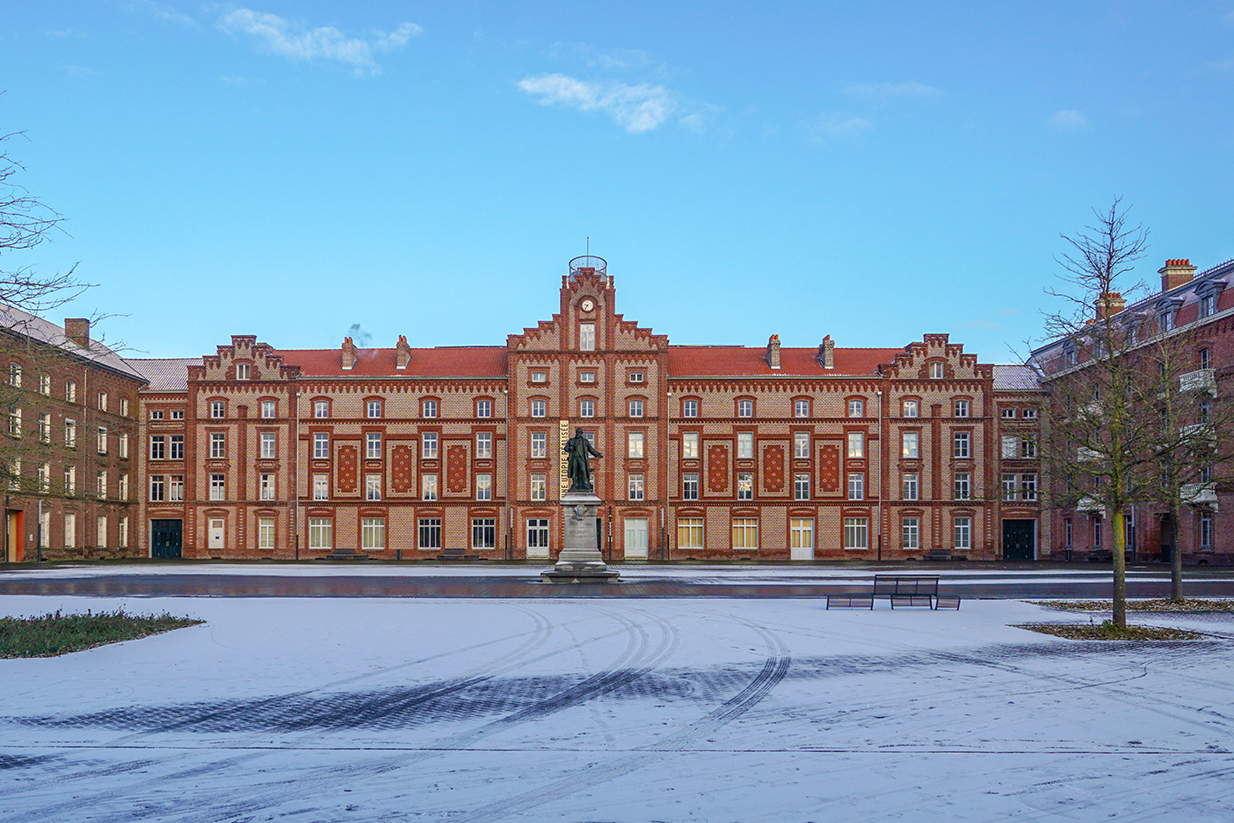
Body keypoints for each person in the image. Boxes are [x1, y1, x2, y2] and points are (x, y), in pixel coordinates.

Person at [564, 427, 603, 492]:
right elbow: (565, 448)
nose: (578, 434)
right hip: (574, 458)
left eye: (579, 433)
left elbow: (590, 449)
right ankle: (575, 485)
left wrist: (597, 454)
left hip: (582, 458)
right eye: (577, 432)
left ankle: (585, 484)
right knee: (575, 471)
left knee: (583, 470)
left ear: (581, 433)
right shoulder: (571, 440)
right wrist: (569, 448)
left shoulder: (584, 441)